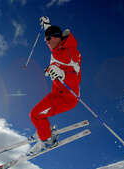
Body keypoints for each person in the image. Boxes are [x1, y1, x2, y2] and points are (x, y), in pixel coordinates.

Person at [28, 16, 82, 155]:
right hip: (56, 93)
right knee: (35, 114)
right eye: (45, 39)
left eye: (48, 39)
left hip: (68, 98)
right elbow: (52, 35)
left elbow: (75, 76)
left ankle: (47, 141)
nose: (46, 42)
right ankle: (45, 129)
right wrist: (47, 25)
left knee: (35, 115)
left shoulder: (70, 53)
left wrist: (63, 75)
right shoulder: (57, 48)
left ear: (57, 37)